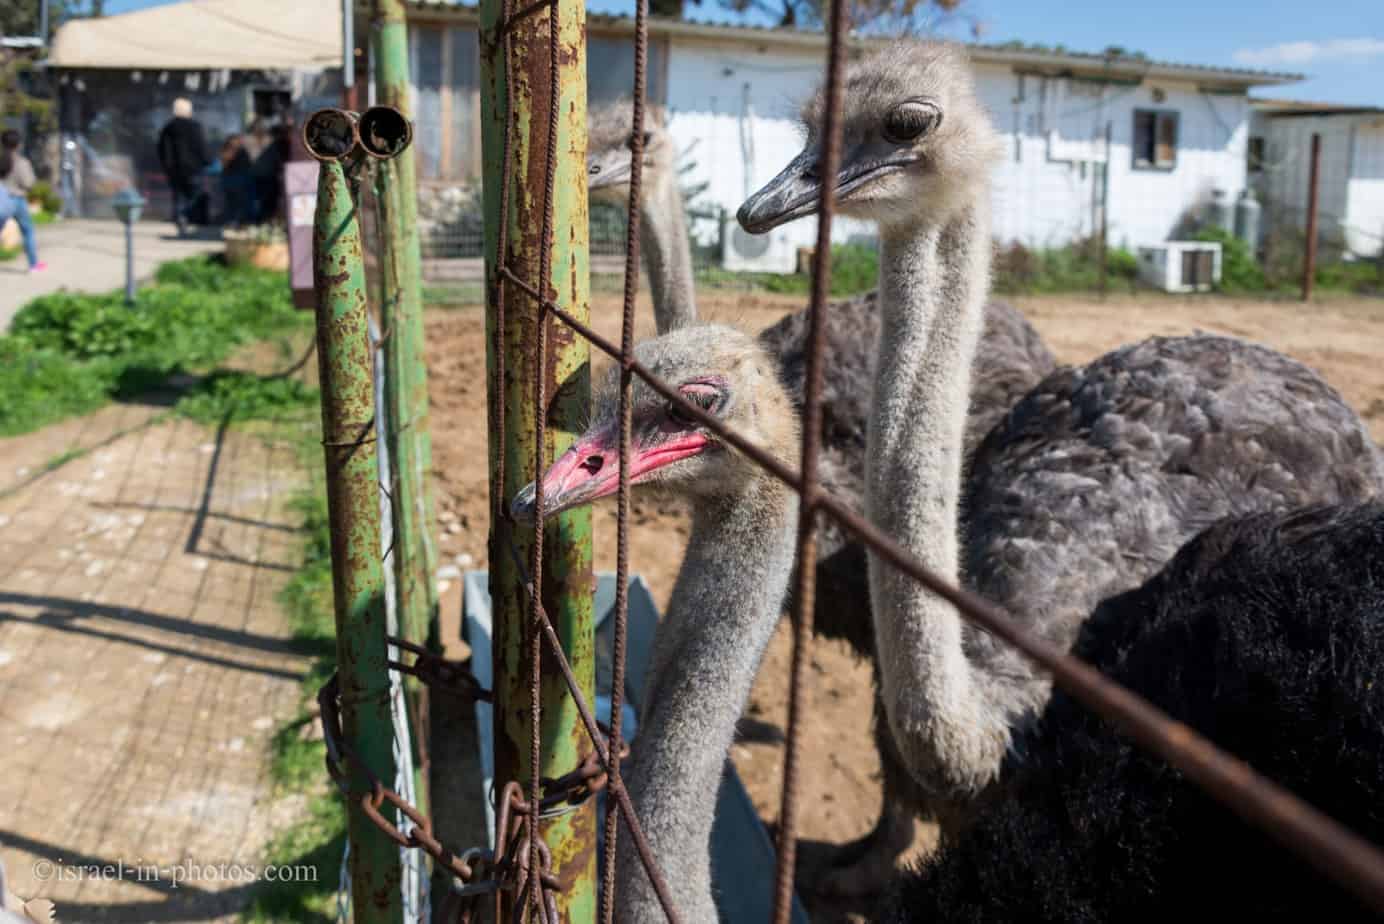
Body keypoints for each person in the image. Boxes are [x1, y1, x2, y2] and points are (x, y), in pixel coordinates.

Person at [156, 97, 209, 235]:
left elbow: (162, 150)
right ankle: (188, 218)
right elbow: (201, 147)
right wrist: (206, 162)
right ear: (189, 111)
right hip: (193, 169)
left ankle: (181, 218)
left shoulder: (167, 128)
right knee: (193, 195)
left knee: (179, 196)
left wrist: (167, 167)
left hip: (174, 170)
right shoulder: (195, 127)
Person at [0, 130, 45, 273]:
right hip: (16, 200)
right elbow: (29, 183)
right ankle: (33, 265)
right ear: (18, 144)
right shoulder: (21, 162)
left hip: (1, 199)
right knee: (28, 231)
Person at [218, 134, 253, 227]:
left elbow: (223, 165)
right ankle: (237, 221)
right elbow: (248, 165)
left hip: (229, 180)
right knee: (239, 204)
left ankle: (232, 221)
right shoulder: (241, 151)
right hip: (238, 180)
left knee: (231, 204)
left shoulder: (226, 151)